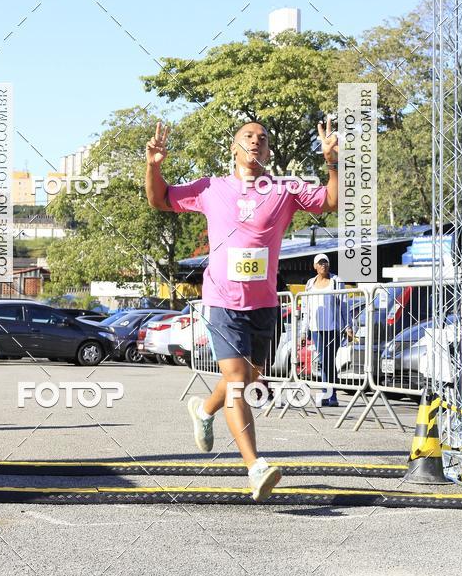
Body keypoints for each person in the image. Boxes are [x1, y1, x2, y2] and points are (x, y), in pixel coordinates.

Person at [145, 118, 339, 501]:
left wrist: (332, 163)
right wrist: (154, 165)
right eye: (248, 137)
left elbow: (331, 201)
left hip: (264, 303)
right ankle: (255, 468)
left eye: (262, 138)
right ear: (234, 149)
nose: (256, 141)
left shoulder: (284, 189)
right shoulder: (211, 188)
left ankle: (203, 410)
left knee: (249, 378)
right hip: (222, 300)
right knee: (237, 382)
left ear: (268, 152)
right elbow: (159, 198)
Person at [300, 253, 352, 407]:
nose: (323, 265)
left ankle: (332, 394)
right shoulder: (310, 283)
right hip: (316, 329)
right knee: (323, 360)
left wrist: (348, 326)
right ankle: (326, 393)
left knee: (329, 361)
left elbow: (344, 304)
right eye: (320, 263)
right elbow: (305, 309)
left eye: (326, 262)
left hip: (332, 328)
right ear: (315, 266)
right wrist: (304, 331)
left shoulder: (336, 281)